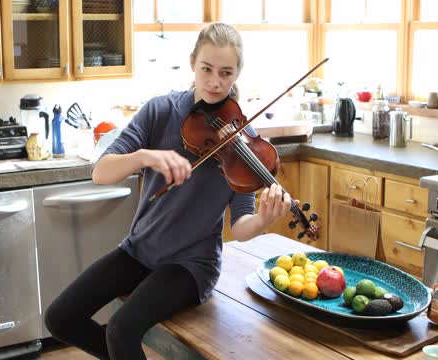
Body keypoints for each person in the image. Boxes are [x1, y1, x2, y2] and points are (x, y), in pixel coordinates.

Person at [44, 22, 293, 360]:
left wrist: (263, 219)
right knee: (59, 318)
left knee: (121, 329)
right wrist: (145, 156)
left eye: (226, 72)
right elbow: (101, 173)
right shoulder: (160, 111)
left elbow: (241, 225)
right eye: (207, 69)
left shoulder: (243, 141)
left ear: (237, 74)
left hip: (191, 265)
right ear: (192, 62)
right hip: (140, 249)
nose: (215, 82)